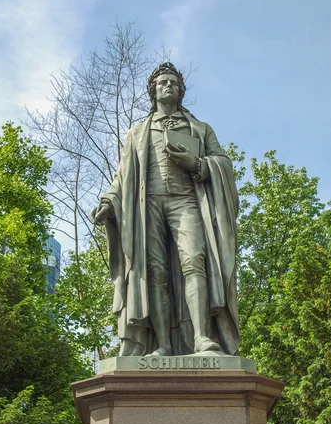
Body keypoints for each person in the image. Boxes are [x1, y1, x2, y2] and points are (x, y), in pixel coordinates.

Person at [91, 62, 239, 357]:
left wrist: (198, 165)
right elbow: (123, 176)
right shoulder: (137, 133)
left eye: (173, 82)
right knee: (154, 272)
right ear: (153, 91)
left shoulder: (199, 128)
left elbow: (223, 163)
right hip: (149, 206)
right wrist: (109, 202)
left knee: (195, 261)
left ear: (181, 91)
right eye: (162, 83)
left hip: (187, 201)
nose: (168, 86)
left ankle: (201, 338)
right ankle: (162, 344)